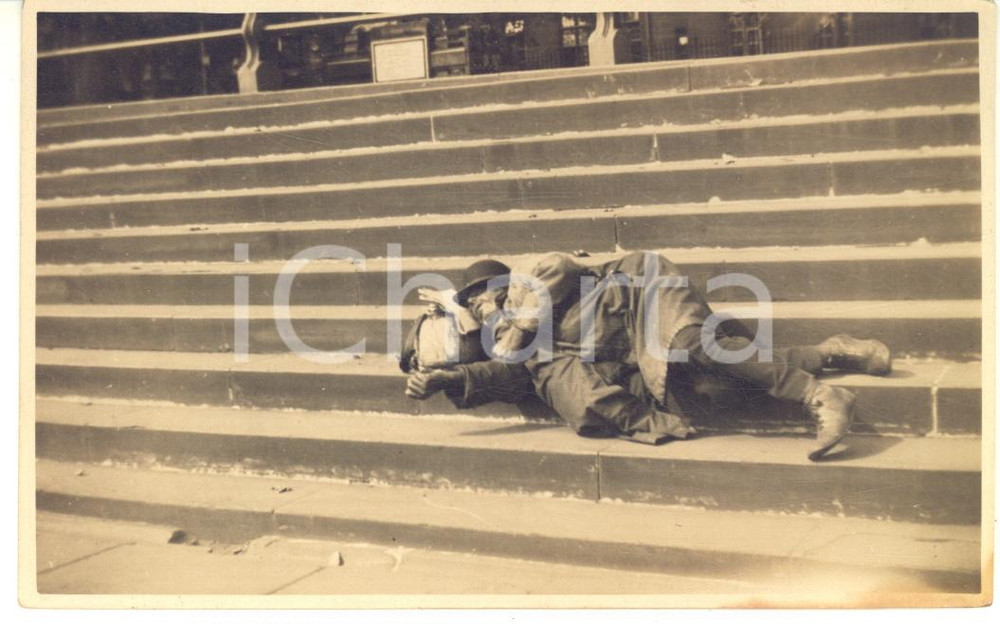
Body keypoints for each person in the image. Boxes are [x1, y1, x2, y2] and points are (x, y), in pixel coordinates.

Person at [405, 252, 891, 461]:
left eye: (481, 295)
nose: (481, 305)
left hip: (645, 289)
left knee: (693, 343)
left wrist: (513, 323)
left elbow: (556, 271)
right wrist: (451, 376)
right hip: (640, 346)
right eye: (472, 305)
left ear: (499, 283)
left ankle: (820, 395)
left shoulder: (528, 279)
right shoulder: (524, 347)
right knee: (708, 381)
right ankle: (832, 352)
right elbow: (507, 368)